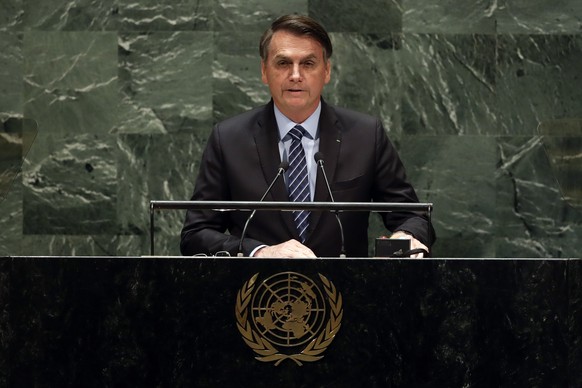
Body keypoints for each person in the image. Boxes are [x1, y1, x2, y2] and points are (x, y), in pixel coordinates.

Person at [180, 14, 435, 258]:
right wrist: (258, 251)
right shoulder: (229, 139)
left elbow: (412, 215)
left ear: (326, 71)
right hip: (260, 294)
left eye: (308, 63)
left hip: (345, 294)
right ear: (264, 71)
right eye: (283, 63)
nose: (295, 75)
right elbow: (196, 234)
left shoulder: (366, 135)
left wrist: (407, 235)